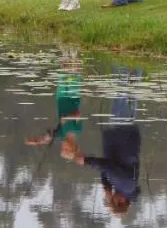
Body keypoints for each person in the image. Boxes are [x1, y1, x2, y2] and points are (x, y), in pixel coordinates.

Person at [61, 68, 142, 215]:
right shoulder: (126, 185)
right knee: (122, 94)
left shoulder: (122, 186)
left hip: (122, 133)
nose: (110, 199)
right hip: (122, 133)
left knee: (129, 96)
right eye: (113, 201)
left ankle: (134, 67)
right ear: (122, 201)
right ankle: (123, 66)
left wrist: (106, 185)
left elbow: (107, 169)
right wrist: (85, 161)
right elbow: (108, 166)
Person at [25, 72, 84, 147]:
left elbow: (49, 137)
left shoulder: (62, 135)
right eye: (66, 148)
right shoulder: (77, 130)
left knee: (63, 72)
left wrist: (37, 141)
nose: (64, 146)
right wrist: (67, 117)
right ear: (73, 145)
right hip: (73, 96)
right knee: (74, 72)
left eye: (64, 148)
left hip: (61, 98)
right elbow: (78, 114)